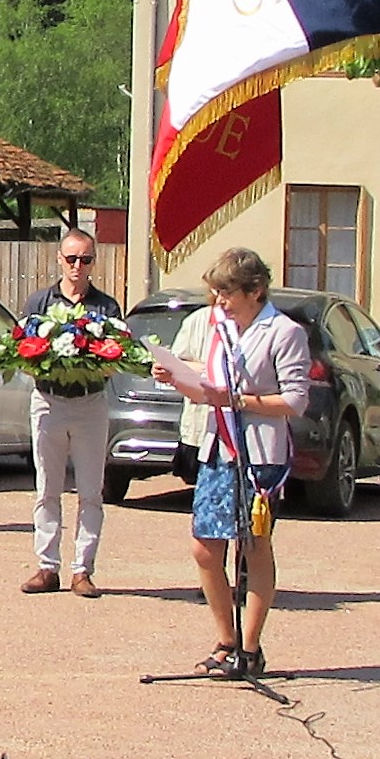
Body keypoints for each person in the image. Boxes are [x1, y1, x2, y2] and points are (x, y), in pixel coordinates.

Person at [150, 248, 310, 678]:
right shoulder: (219, 329)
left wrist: (237, 399)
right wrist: (178, 375)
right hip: (217, 448)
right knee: (205, 547)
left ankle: (251, 647)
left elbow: (295, 400)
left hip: (260, 455)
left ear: (255, 291)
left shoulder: (284, 331)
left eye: (227, 292)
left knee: (253, 548)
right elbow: (209, 387)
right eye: (216, 292)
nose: (219, 300)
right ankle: (225, 639)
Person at [20, 229, 121, 597]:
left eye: (86, 259)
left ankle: (83, 570)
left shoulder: (106, 308)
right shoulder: (39, 302)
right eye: (72, 258)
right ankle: (47, 567)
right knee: (47, 488)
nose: (79, 266)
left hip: (90, 403)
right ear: (60, 259)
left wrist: (91, 362)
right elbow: (24, 353)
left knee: (91, 490)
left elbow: (115, 355)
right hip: (49, 401)